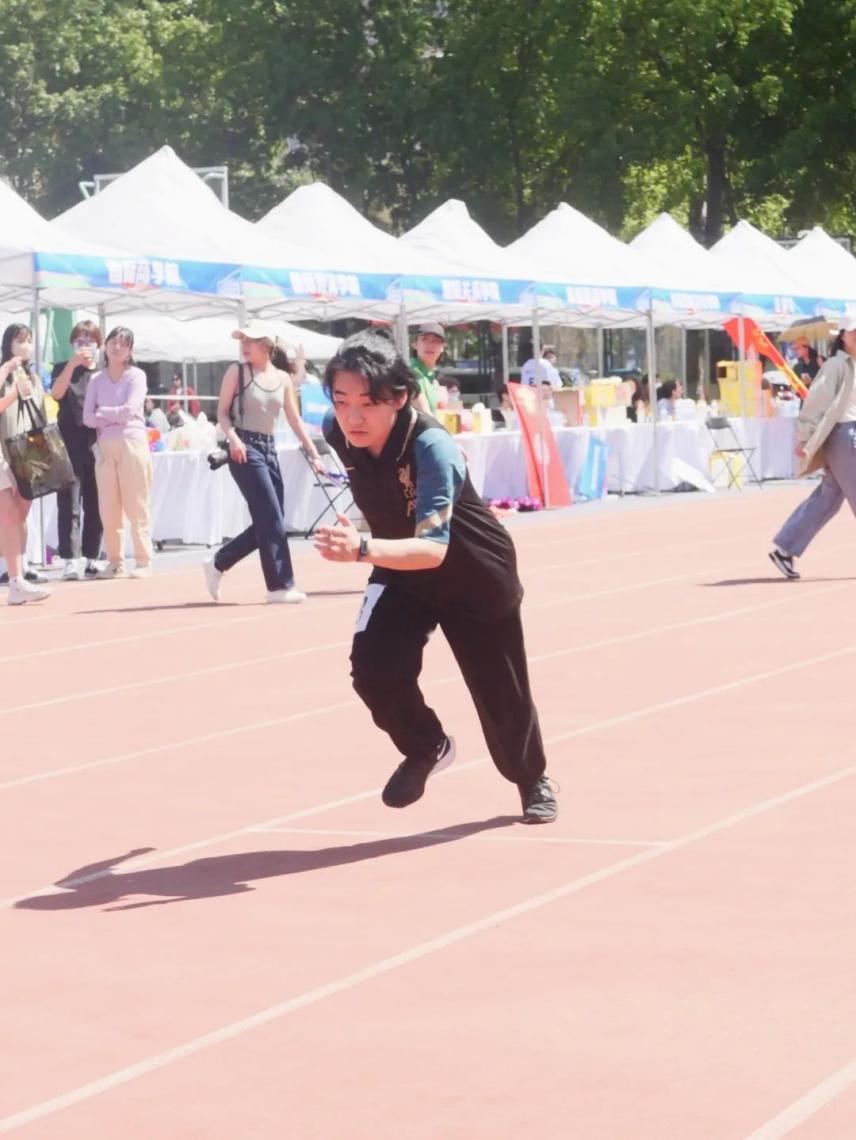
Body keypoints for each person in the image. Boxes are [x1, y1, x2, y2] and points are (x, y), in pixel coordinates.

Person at [313, 329, 557, 823]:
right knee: (373, 669)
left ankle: (531, 778)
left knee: (501, 695)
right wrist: (370, 539)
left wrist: (361, 548)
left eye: (367, 403)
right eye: (341, 401)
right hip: (400, 567)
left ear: (399, 397)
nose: (352, 417)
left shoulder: (432, 448)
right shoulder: (336, 432)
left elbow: (432, 548)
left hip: (473, 573)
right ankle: (427, 746)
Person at [203, 319, 324, 604]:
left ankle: (219, 562)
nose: (244, 346)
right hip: (243, 449)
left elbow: (294, 420)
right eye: (242, 341)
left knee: (271, 519)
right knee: (271, 517)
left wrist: (315, 454)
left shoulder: (282, 378)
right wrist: (234, 439)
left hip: (269, 448)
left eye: (251, 341)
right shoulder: (236, 372)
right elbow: (222, 414)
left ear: (267, 345)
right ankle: (280, 586)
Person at [769, 317, 856, 579]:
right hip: (844, 435)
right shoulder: (836, 365)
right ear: (842, 335)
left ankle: (785, 548)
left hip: (848, 434)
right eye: (854, 332)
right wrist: (804, 437)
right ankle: (785, 548)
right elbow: (816, 401)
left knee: (828, 498)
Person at [83, 326, 153, 579]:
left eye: (123, 344)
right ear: (106, 345)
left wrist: (103, 413)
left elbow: (129, 410)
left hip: (132, 443)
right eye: (113, 341)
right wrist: (112, 415)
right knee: (108, 507)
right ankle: (115, 562)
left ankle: (143, 560)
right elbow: (87, 418)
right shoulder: (96, 379)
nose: (117, 347)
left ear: (130, 351)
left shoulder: (137, 376)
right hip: (104, 447)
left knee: (136, 504)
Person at [0, 324, 51, 605]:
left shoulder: (33, 376)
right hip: (3, 451)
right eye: (20, 341)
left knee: (18, 515)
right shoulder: (5, 373)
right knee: (8, 515)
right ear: (8, 344)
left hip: (28, 451)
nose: (25, 346)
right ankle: (16, 579)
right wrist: (9, 374)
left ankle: (17, 575)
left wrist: (44, 448)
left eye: (29, 341)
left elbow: (40, 413)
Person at [50, 320, 104, 580]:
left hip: (96, 443)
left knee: (96, 503)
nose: (84, 346)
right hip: (68, 443)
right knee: (69, 503)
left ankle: (92, 557)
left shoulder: (103, 373)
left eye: (90, 341)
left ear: (98, 345)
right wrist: (72, 364)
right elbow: (56, 394)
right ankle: (70, 560)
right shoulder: (63, 368)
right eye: (79, 341)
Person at [411, 323, 446, 415]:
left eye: (436, 341)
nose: (430, 344)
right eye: (424, 339)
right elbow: (426, 415)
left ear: (442, 347)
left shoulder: (432, 375)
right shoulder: (412, 372)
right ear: (415, 344)